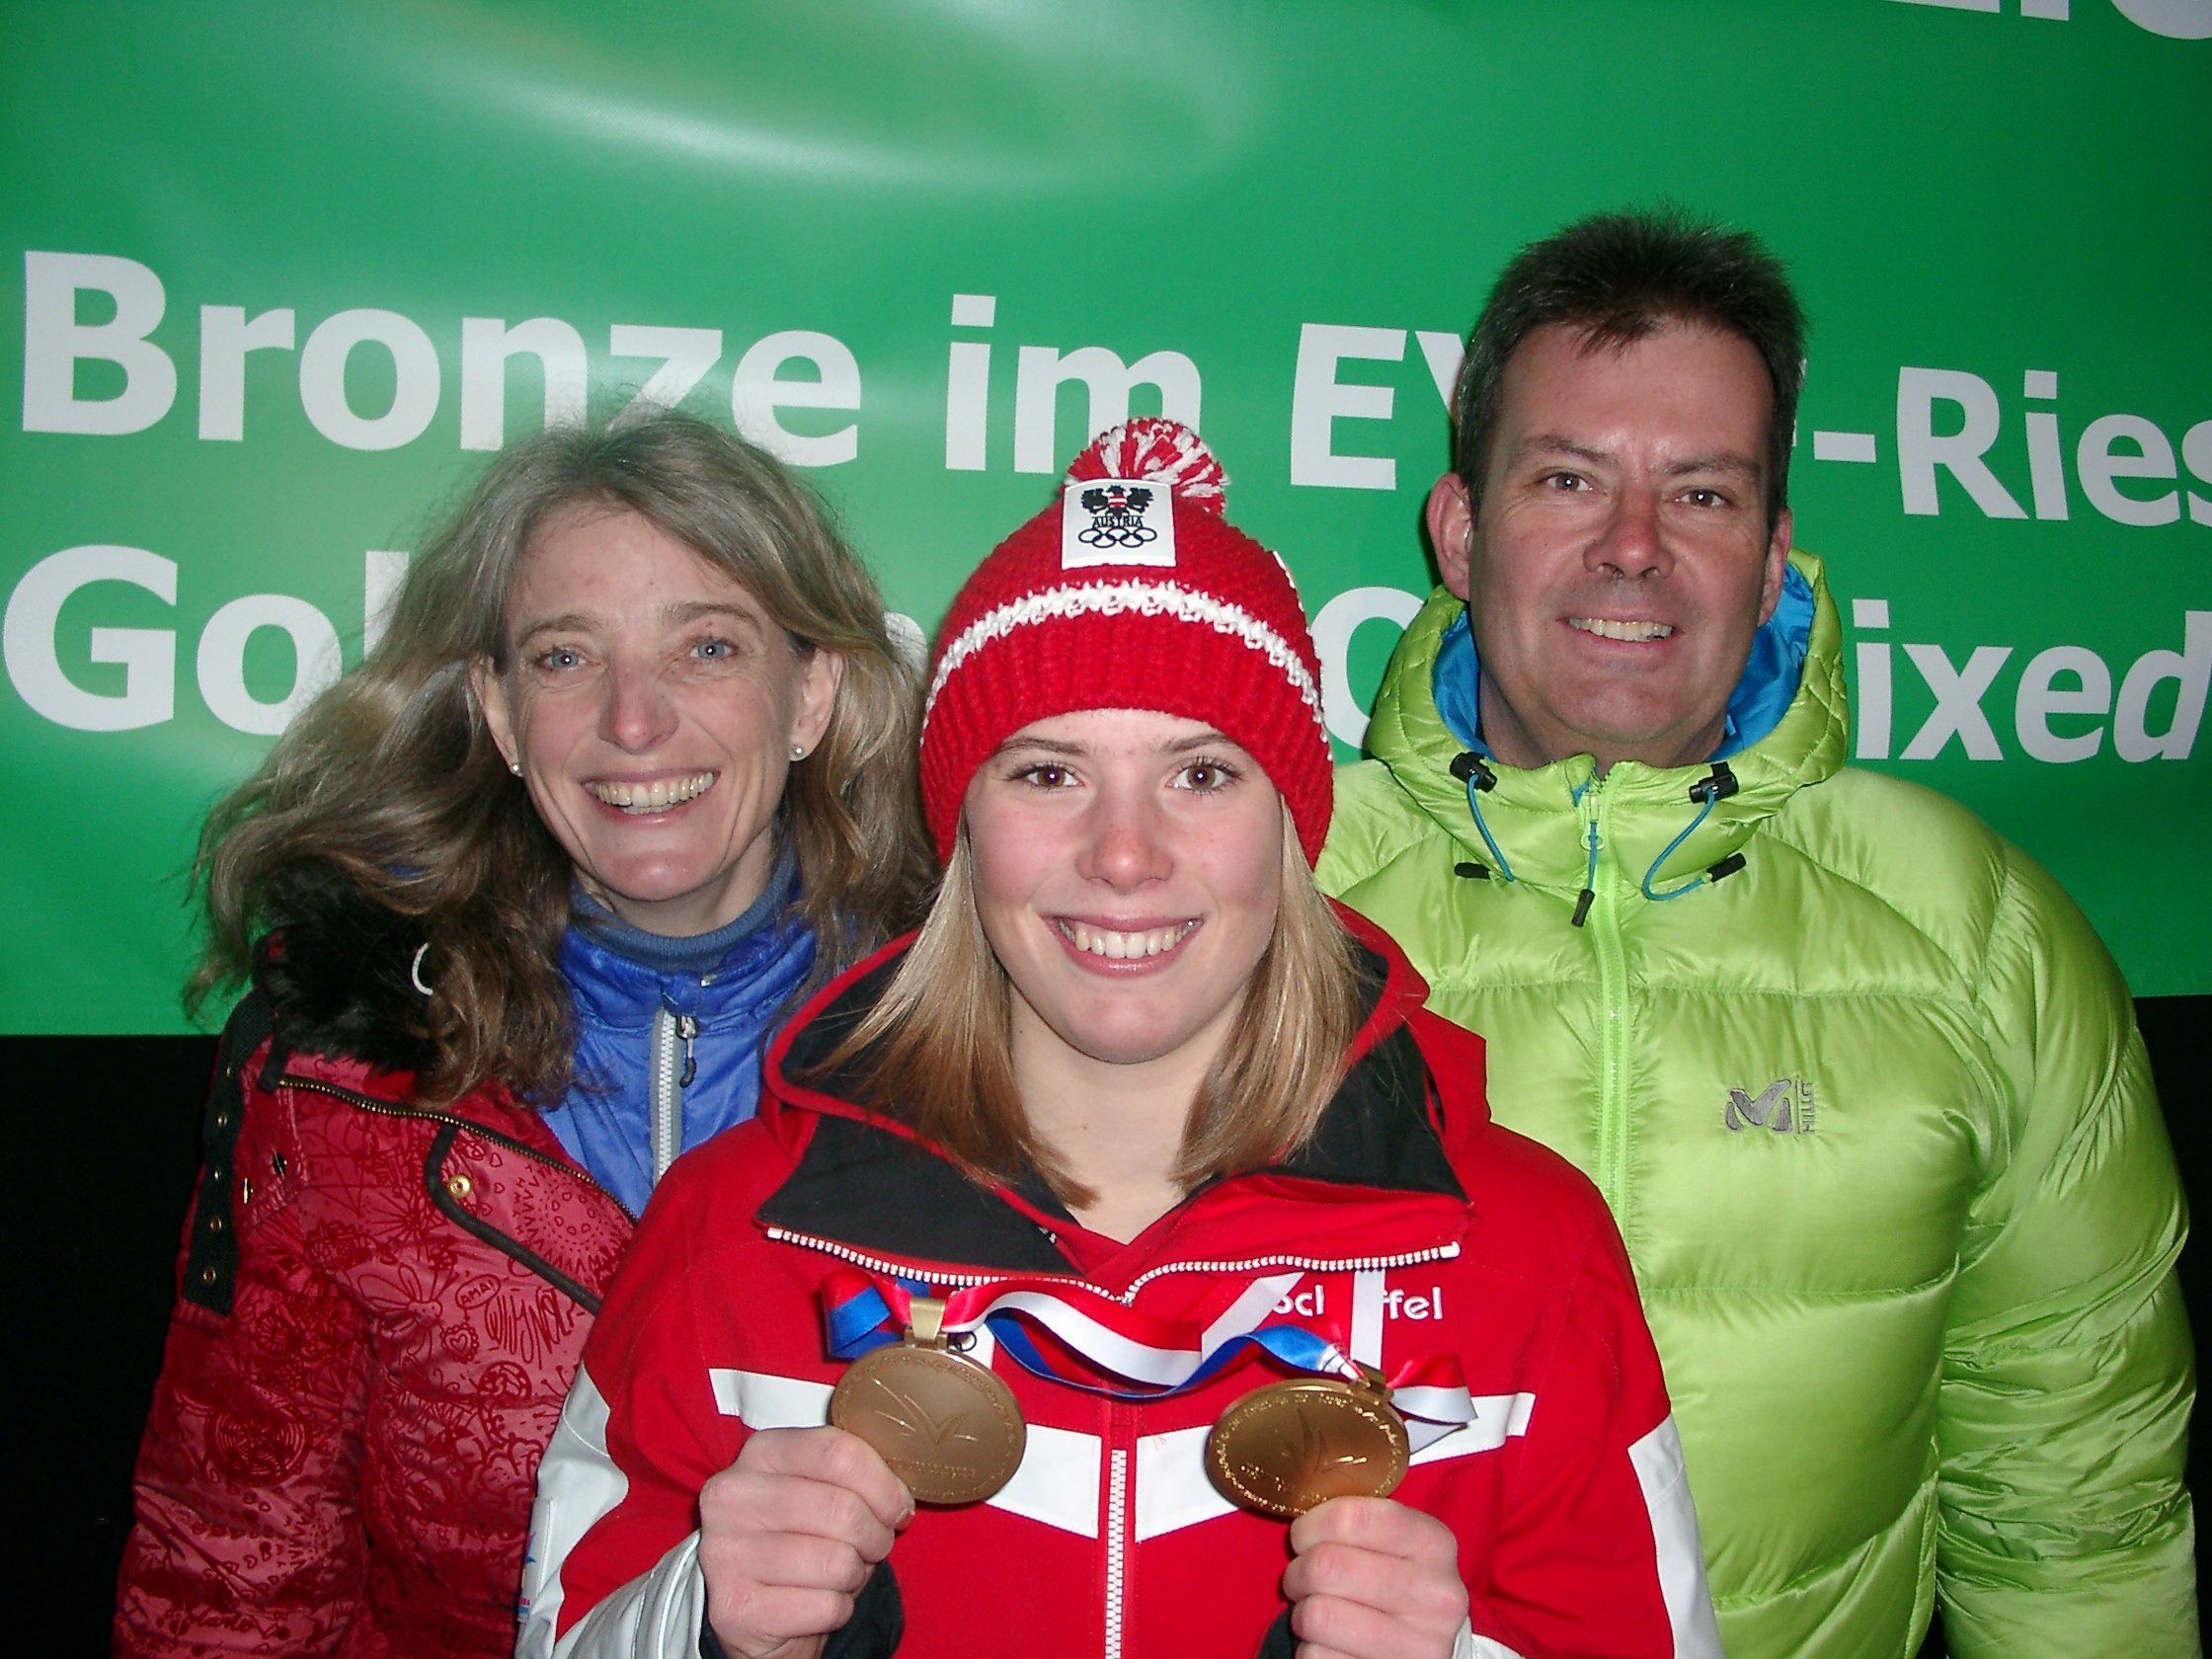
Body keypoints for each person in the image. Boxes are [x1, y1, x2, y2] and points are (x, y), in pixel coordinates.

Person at [517, 418, 1721, 1659]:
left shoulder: (1526, 1252)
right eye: (1048, 774)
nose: (1125, 854)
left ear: (1290, 828)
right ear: (965, 827)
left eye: (1200, 775)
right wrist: (701, 1622)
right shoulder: (736, 1232)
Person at [1317, 209, 2196, 1658]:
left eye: (1706, 494)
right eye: (1567, 479)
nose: (1635, 549)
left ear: (1775, 552)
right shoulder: (1272, 896)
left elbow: (2075, 1498)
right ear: (1460, 531)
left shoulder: (1976, 930)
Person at [115, 411, 930, 1659]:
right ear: (498, 712)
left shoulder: (967, 1052)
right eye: (563, 657)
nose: (634, 721)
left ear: (812, 690)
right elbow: (235, 1564)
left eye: (706, 646)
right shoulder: (340, 1078)